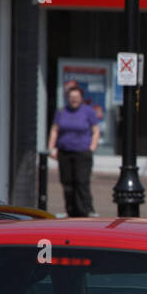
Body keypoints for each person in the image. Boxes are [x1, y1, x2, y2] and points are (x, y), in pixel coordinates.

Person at [47, 85, 100, 217]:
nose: (74, 99)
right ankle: (70, 211)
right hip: (65, 152)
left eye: (76, 97)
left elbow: (96, 131)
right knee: (67, 183)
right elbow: (55, 130)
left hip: (82, 153)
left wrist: (92, 148)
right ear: (68, 98)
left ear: (81, 98)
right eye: (71, 97)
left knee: (81, 182)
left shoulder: (88, 111)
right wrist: (51, 148)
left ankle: (86, 211)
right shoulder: (62, 111)